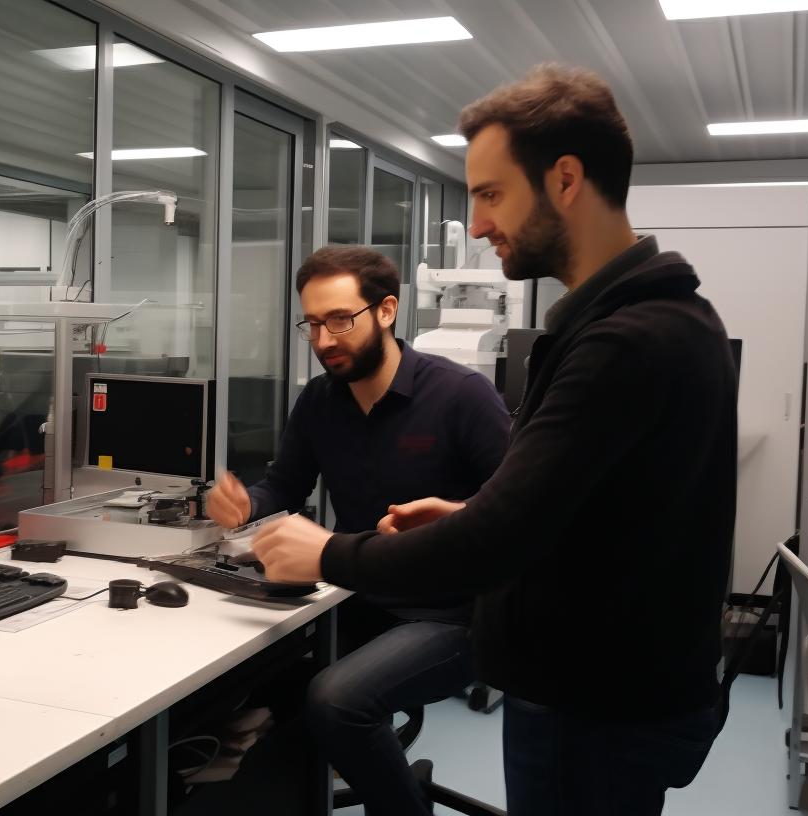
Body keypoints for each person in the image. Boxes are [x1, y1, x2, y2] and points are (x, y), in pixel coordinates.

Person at [251, 63, 738, 816]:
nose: (477, 224)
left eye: (489, 193)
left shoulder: (626, 342)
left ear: (566, 179)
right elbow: (571, 514)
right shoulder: (641, 323)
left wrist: (326, 553)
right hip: (600, 688)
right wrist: (461, 513)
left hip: (597, 704)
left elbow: (499, 541)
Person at [206, 244, 510, 815]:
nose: (324, 341)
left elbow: (516, 515)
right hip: (353, 593)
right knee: (247, 678)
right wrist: (246, 505)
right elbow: (284, 489)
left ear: (387, 311)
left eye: (341, 320)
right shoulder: (319, 402)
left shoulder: (460, 397)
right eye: (313, 324)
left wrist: (451, 510)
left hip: (453, 614)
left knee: (338, 700)